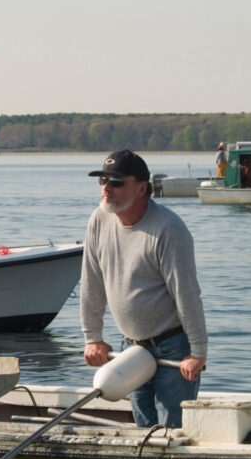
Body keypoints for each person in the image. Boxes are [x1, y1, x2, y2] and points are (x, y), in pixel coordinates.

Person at [80, 149, 208, 428]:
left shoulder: (169, 229)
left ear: (141, 188)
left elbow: (186, 293)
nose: (106, 187)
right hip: (131, 349)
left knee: (172, 434)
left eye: (116, 182)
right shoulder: (98, 221)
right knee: (142, 433)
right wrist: (92, 337)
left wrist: (197, 352)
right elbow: (91, 282)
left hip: (173, 350)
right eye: (102, 180)